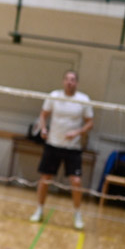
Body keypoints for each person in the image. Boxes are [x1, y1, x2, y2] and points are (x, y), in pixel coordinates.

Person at [30, 70, 94, 230]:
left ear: (76, 83)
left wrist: (77, 132)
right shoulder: (54, 96)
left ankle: (77, 213)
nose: (69, 82)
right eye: (67, 79)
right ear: (63, 81)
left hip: (73, 147)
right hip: (53, 144)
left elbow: (90, 122)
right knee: (45, 178)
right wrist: (43, 129)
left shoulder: (83, 99)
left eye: (72, 80)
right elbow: (43, 115)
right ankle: (39, 209)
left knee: (76, 181)